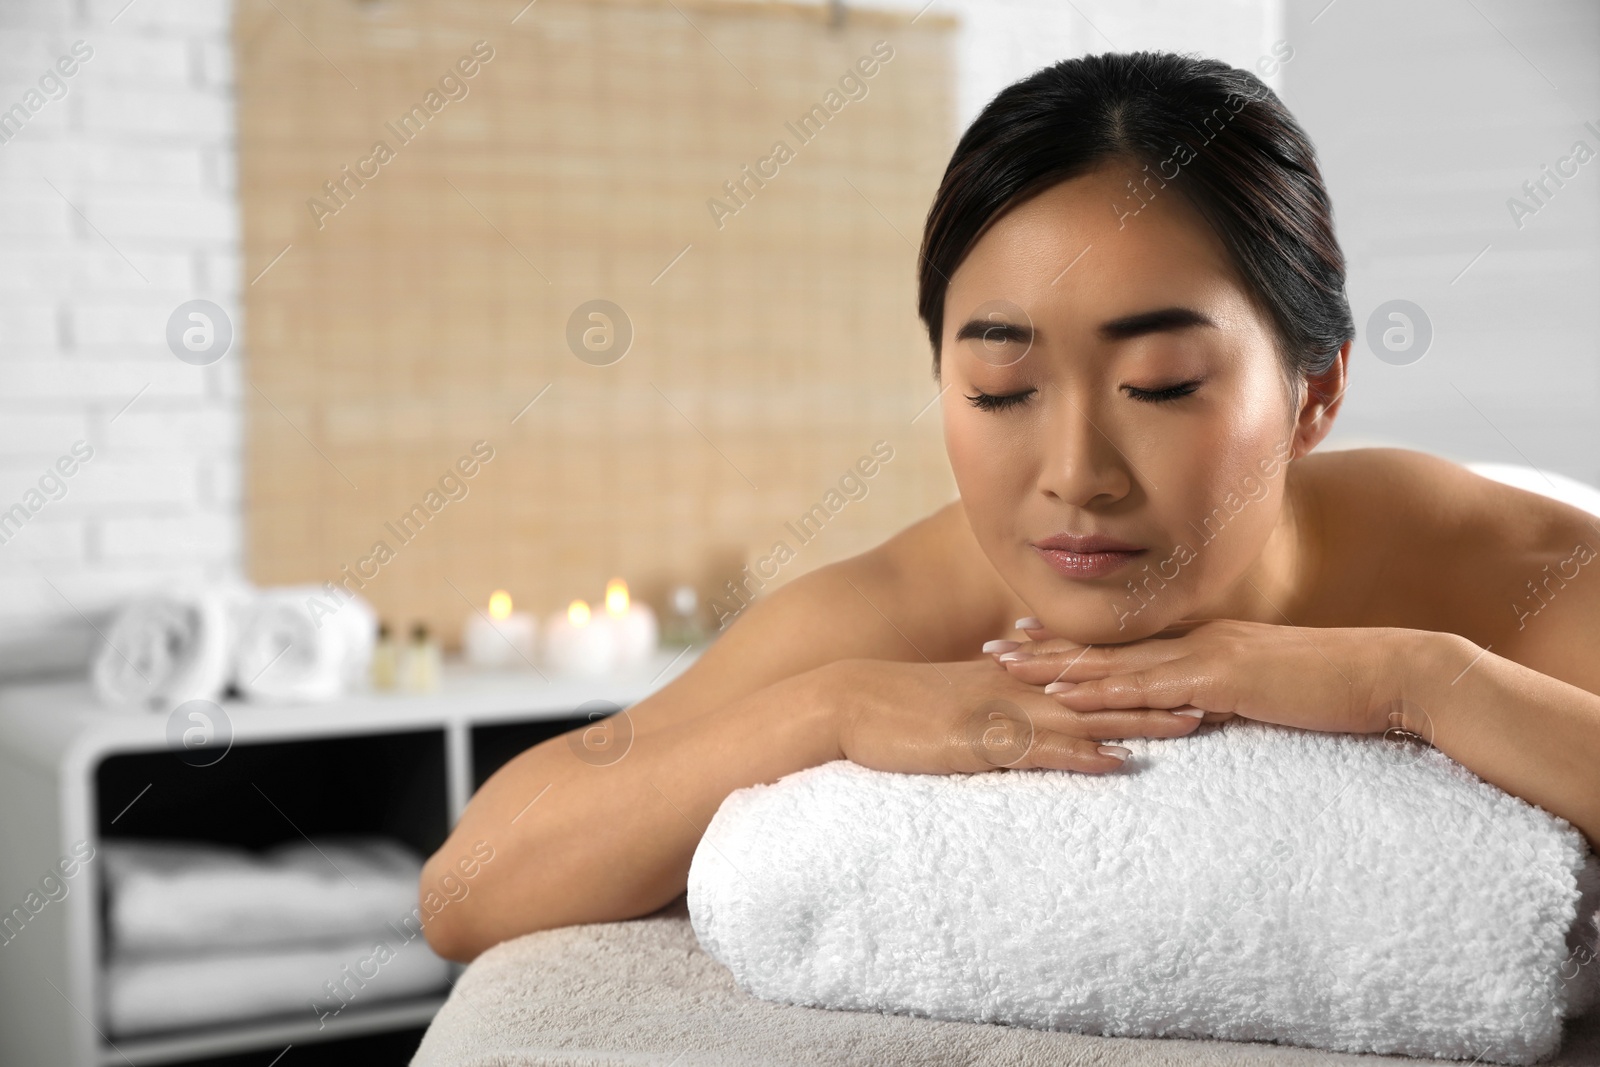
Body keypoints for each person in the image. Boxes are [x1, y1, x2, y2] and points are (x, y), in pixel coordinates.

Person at [421, 51, 1600, 962]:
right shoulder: (934, 593)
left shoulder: (1503, 569)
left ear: (1316, 391)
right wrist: (828, 707)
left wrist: (1414, 682)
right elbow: (466, 888)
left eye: (1161, 386)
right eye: (1002, 388)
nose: (1075, 472)